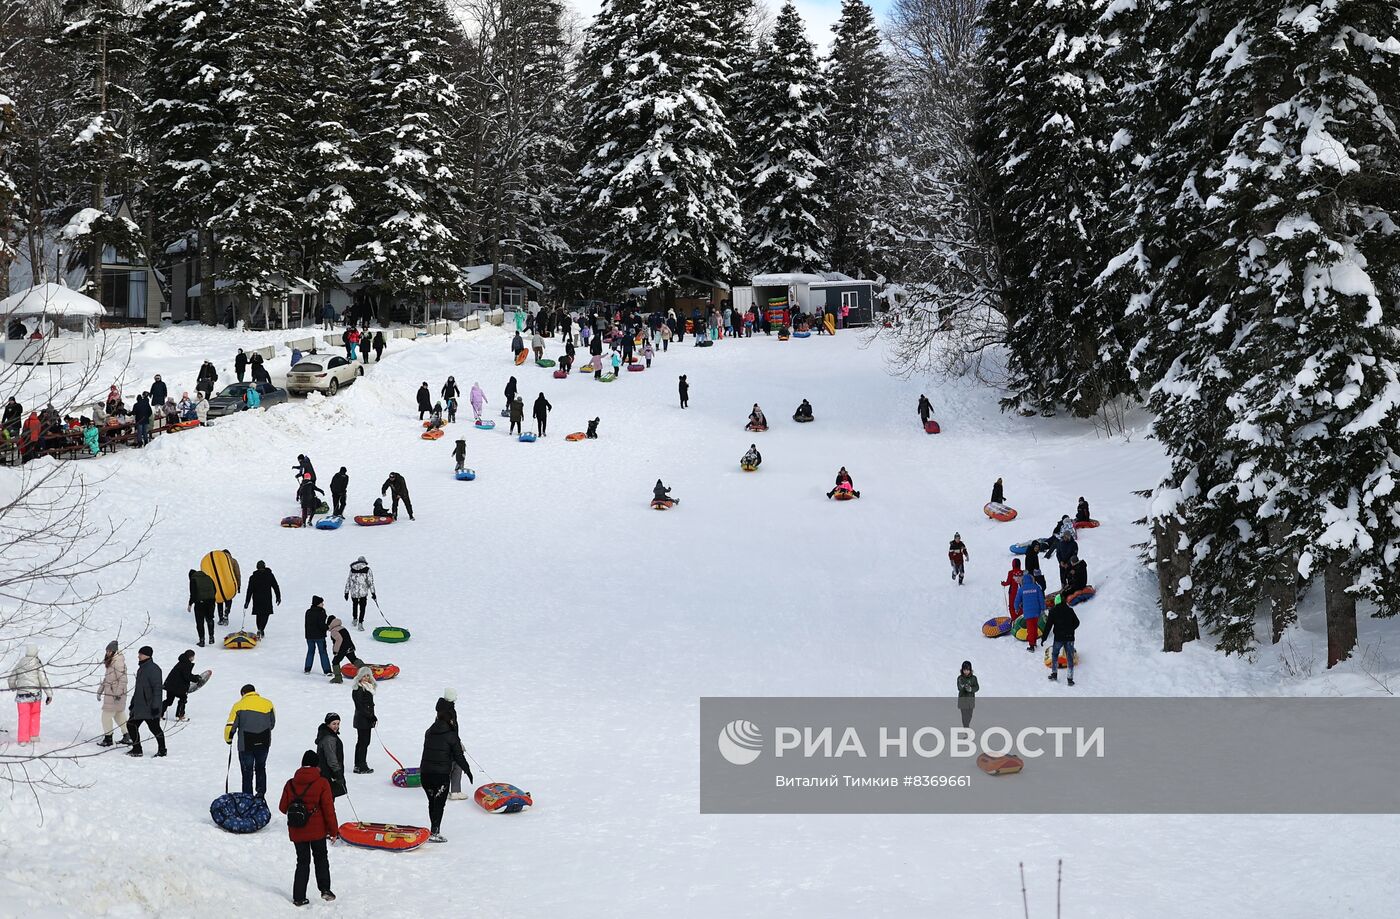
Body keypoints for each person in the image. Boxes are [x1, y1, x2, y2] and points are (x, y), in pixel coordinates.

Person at [279, 749, 339, 906]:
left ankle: (299, 897)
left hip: (297, 830)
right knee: (321, 858)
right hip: (317, 831)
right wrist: (333, 831)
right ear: (316, 765)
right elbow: (328, 809)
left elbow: (282, 807)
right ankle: (325, 889)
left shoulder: (290, 783)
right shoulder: (322, 782)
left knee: (302, 862)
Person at [420, 696, 473, 843]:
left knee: (432, 802)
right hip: (440, 776)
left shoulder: (429, 731)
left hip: (425, 774)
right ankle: (435, 831)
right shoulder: (451, 736)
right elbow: (459, 757)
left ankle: (433, 829)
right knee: (439, 804)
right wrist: (468, 771)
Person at [225, 683, 276, 796]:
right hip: (264, 742)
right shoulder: (268, 703)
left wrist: (228, 738)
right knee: (261, 767)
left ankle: (248, 798)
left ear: (243, 693)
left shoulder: (238, 705)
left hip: (246, 744)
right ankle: (260, 795)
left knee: (247, 772)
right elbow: (272, 723)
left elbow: (230, 725)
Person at [8, 644, 53, 745]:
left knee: (23, 716)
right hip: (35, 695)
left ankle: (23, 739)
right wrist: (49, 694)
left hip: (22, 695)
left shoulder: (20, 664)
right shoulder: (38, 664)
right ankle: (34, 735)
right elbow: (43, 680)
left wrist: (13, 687)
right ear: (36, 653)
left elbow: (11, 678)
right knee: (35, 714)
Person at [126, 646, 166, 757]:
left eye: (140, 654)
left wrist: (156, 706)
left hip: (149, 707)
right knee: (131, 725)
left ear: (147, 655)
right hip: (140, 706)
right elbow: (138, 689)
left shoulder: (154, 669)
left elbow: (157, 689)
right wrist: (133, 702)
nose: (138, 656)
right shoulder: (142, 668)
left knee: (155, 728)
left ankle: (162, 750)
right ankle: (137, 749)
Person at [97, 641, 128, 746]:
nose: (107, 653)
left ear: (114, 651)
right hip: (113, 694)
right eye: (106, 651)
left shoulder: (118, 661)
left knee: (106, 716)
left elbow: (123, 679)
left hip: (115, 695)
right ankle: (128, 736)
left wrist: (117, 694)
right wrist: (100, 690)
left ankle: (108, 738)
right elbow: (107, 678)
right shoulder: (112, 661)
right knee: (119, 715)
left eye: (109, 651)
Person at [1043, 597, 1079, 685]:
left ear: (1056, 602)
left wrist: (1044, 638)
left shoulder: (1053, 612)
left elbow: (1048, 626)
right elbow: (1077, 622)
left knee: (1055, 655)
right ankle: (1070, 679)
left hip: (1058, 638)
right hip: (1069, 637)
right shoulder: (1070, 610)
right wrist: (1070, 629)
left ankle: (1054, 674)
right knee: (1070, 657)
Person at [245, 561, 282, 638]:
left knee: (259, 615)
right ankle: (261, 629)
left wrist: (247, 602)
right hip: (267, 599)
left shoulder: (253, 577)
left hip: (257, 599)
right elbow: (275, 586)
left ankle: (259, 628)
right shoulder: (269, 575)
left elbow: (249, 590)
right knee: (266, 614)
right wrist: (278, 596)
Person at [351, 667, 377, 774]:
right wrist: (370, 716)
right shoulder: (358, 689)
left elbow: (369, 706)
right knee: (363, 742)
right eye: (364, 676)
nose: (366, 678)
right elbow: (361, 706)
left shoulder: (367, 687)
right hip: (362, 720)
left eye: (368, 676)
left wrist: (372, 716)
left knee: (364, 742)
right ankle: (360, 765)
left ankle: (360, 764)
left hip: (365, 719)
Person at [161, 649, 197, 721]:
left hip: (170, 685)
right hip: (177, 687)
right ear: (190, 657)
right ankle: (180, 715)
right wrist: (196, 679)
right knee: (183, 698)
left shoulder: (181, 662)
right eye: (193, 657)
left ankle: (158, 714)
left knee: (169, 701)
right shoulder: (186, 664)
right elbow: (187, 676)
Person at [316, 714, 347, 797]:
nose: (336, 726)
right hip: (328, 774)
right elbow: (331, 758)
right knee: (328, 797)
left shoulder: (328, 735)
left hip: (327, 773)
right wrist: (338, 774)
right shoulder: (329, 739)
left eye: (338, 724)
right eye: (334, 724)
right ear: (328, 724)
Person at [1015, 573, 1047, 652]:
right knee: (1035, 627)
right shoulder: (1036, 587)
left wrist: (1016, 608)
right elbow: (1041, 599)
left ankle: (1031, 645)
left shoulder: (1021, 589)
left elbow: (1017, 600)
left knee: (1030, 629)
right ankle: (1034, 642)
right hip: (1036, 611)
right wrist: (1043, 608)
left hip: (1027, 612)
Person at [344, 557, 376, 631]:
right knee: (362, 608)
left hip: (354, 592)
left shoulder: (352, 569)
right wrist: (373, 593)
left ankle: (355, 619)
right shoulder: (367, 569)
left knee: (354, 605)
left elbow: (348, 581)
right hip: (363, 592)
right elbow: (370, 582)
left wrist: (346, 592)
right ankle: (360, 623)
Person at [188, 568, 217, 647]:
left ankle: (202, 640)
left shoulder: (193, 580)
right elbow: (215, 589)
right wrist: (211, 598)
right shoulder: (208, 577)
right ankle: (211, 637)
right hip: (211, 602)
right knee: (210, 619)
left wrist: (190, 604)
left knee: (200, 622)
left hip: (200, 603)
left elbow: (193, 594)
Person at [326, 616, 359, 683]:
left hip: (342, 649)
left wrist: (335, 651)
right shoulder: (342, 628)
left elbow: (339, 640)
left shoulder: (334, 631)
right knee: (354, 659)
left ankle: (338, 678)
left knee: (335, 662)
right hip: (349, 646)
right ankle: (364, 669)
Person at [304, 596, 332, 674]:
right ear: (317, 604)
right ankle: (327, 670)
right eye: (321, 603)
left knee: (310, 651)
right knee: (323, 652)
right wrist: (328, 627)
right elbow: (321, 625)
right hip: (319, 636)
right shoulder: (321, 612)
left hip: (309, 636)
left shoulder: (308, 612)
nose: (323, 604)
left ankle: (307, 668)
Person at [956, 661, 978, 729]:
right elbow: (959, 688)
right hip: (963, 701)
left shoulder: (973, 678)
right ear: (962, 670)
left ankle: (966, 726)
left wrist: (971, 689)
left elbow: (977, 687)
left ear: (970, 670)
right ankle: (966, 730)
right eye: (964, 670)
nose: (966, 671)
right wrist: (962, 686)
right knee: (964, 717)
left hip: (970, 701)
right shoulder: (960, 678)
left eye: (967, 670)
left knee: (969, 716)